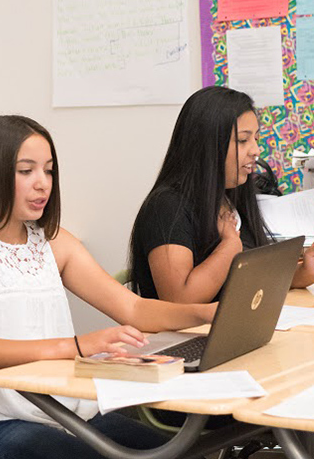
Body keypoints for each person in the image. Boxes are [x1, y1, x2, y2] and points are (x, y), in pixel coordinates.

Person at [0, 115, 217, 459]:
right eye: (26, 170)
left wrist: (206, 313)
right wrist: (77, 345)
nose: (42, 183)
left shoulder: (52, 239)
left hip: (63, 414)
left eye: (48, 171)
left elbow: (133, 309)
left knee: (175, 453)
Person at [129, 86, 314, 304]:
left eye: (256, 138)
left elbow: (250, 280)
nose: (256, 150)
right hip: (188, 336)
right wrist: (229, 246)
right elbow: (180, 300)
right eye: (243, 140)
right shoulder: (166, 207)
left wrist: (300, 274)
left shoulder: (232, 198)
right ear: (207, 145)